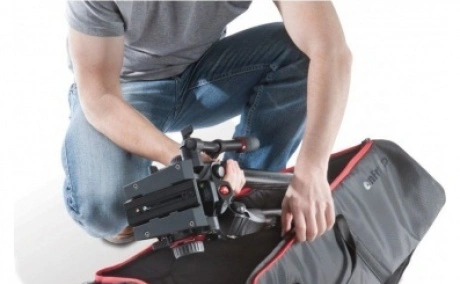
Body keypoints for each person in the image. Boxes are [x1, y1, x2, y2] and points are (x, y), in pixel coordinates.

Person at [62, 0, 351, 244]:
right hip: (122, 91)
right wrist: (179, 158)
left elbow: (331, 52)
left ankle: (244, 191)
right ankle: (140, 177)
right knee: (105, 210)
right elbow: (100, 97)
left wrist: (312, 170)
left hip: (201, 75)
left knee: (299, 53)